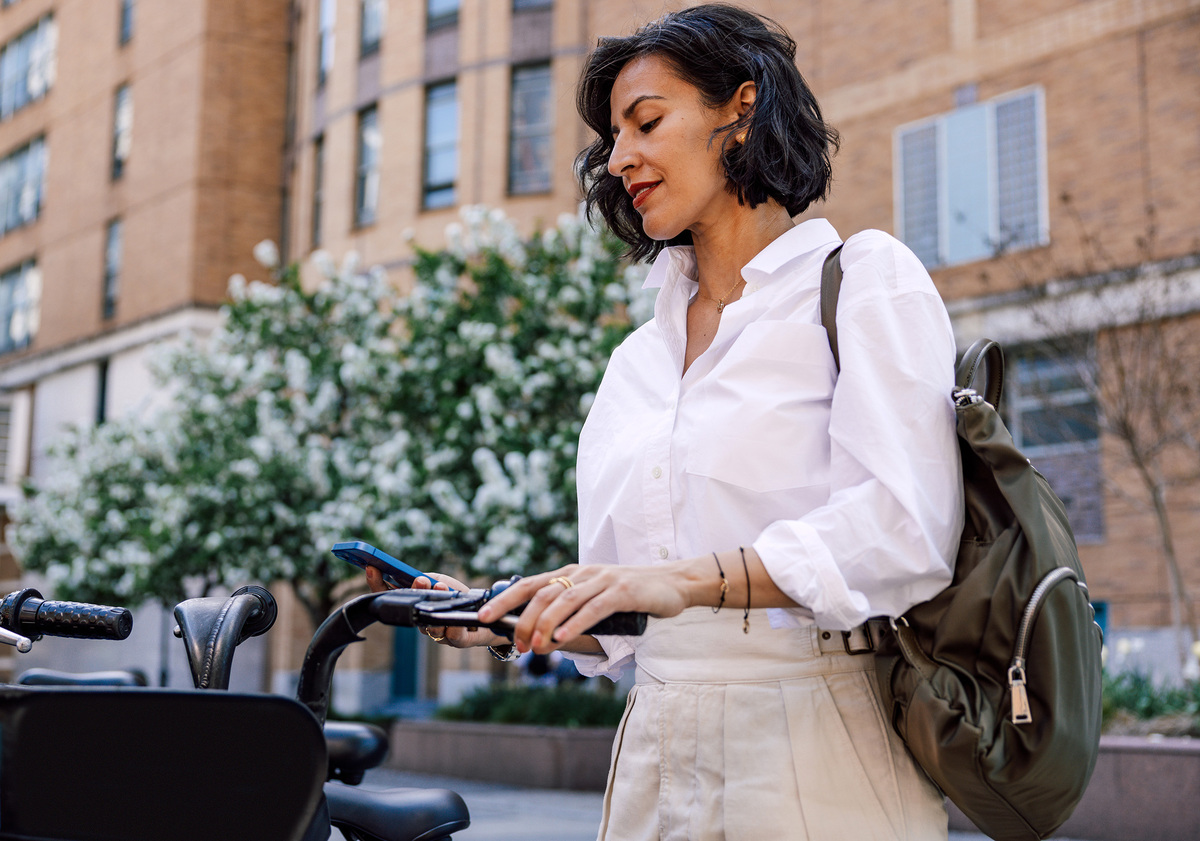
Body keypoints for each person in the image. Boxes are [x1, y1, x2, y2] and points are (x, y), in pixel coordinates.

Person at [367, 5, 963, 838]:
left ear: (742, 109)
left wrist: (679, 580)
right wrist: (507, 615)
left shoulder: (861, 282)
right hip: (651, 750)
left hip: (814, 742)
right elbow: (629, 604)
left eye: (646, 122)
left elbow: (904, 531)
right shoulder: (637, 362)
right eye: (614, 137)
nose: (620, 159)